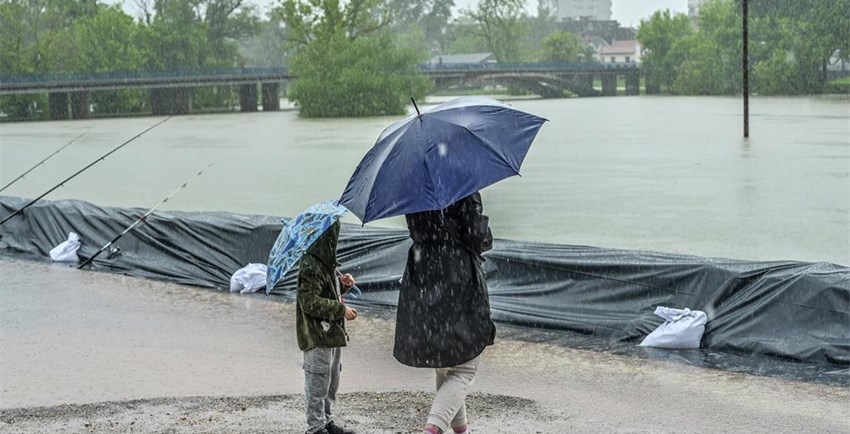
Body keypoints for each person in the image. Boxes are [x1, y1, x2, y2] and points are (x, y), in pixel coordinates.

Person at [394, 192, 497, 434]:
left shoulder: (415, 188)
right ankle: (433, 429)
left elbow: (419, 230)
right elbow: (477, 237)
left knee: (444, 359)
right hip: (457, 276)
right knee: (464, 366)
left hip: (422, 275)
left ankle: (461, 430)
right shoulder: (461, 186)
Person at [296, 221, 357, 434]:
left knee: (331, 380)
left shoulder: (327, 263)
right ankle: (315, 427)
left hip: (331, 333)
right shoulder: (311, 265)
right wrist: (340, 311)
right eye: (333, 237)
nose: (335, 242)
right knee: (317, 381)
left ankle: (327, 420)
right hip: (316, 335)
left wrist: (343, 285)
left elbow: (328, 291)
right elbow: (309, 301)